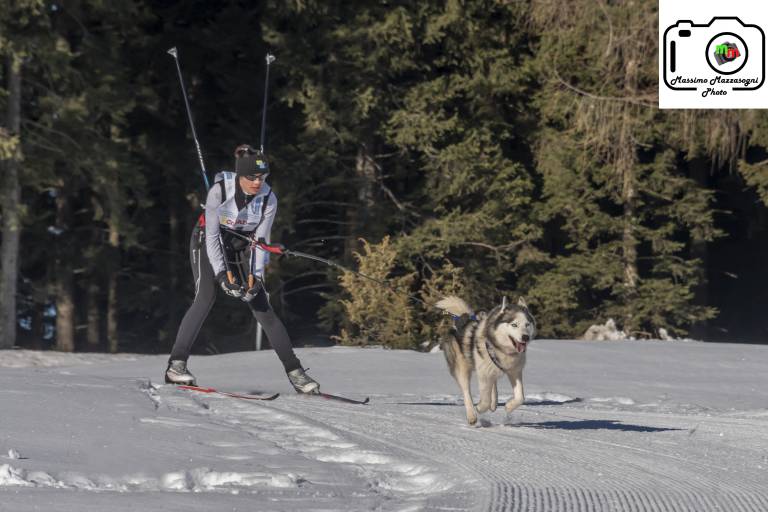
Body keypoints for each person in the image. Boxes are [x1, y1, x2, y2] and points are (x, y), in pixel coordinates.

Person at [165, 144, 320, 394]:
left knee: (262, 306)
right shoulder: (219, 192)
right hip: (208, 240)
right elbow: (213, 237)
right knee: (206, 296)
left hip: (242, 244)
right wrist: (221, 275)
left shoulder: (269, 198)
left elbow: (261, 242)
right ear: (240, 176)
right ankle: (176, 365)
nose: (258, 183)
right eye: (252, 178)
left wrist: (255, 276)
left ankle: (296, 373)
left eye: (262, 177)